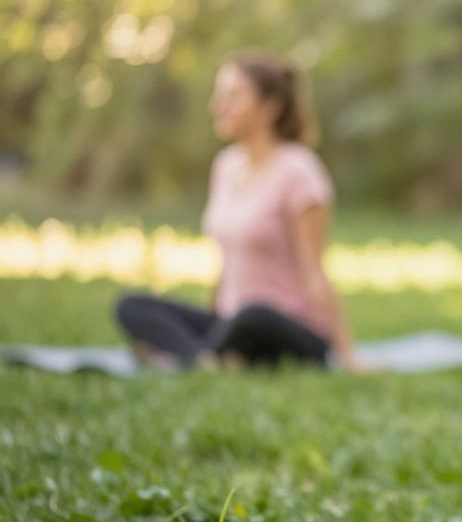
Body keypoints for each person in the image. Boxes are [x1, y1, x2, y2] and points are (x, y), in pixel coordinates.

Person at [114, 50, 361, 371]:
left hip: (290, 327)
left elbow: (314, 267)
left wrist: (348, 355)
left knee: (253, 314)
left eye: (232, 96)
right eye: (219, 96)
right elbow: (227, 261)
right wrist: (214, 318)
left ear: (269, 107)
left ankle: (192, 354)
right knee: (131, 305)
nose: (218, 105)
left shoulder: (299, 170)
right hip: (233, 320)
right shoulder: (226, 166)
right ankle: (208, 355)